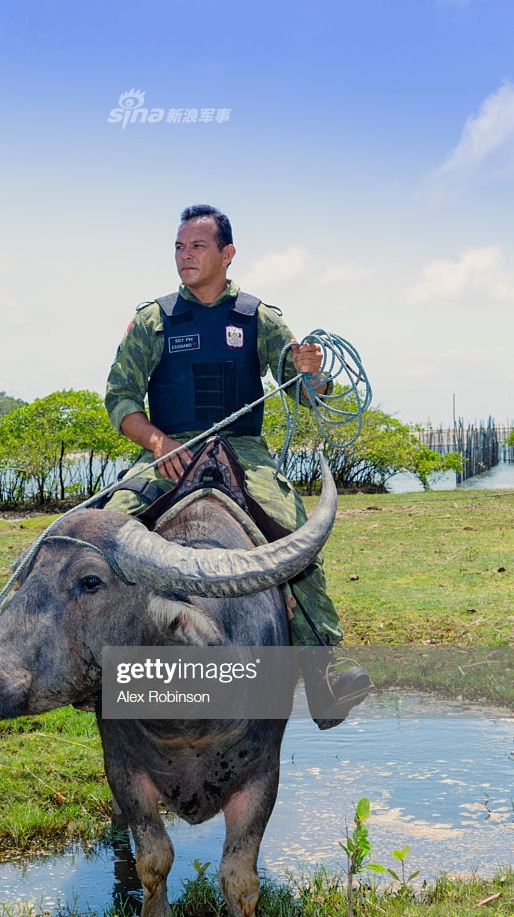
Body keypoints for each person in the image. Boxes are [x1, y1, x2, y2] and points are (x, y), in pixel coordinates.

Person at [104, 204, 371, 728]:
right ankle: (90, 669)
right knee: (103, 535)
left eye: (197, 246)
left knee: (295, 535)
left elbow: (302, 391)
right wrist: (157, 441)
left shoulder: (259, 318)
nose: (185, 256)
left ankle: (323, 677)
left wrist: (312, 373)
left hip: (244, 452)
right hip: (168, 450)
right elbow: (120, 399)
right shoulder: (152, 320)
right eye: (179, 247)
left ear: (227, 254)